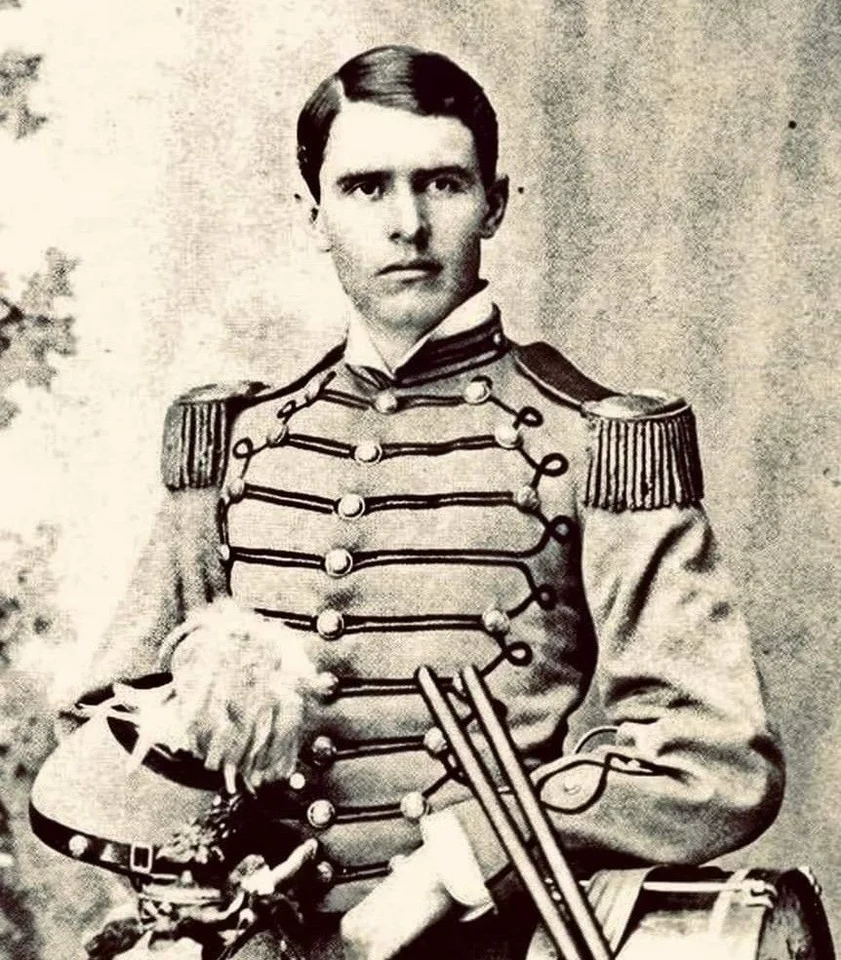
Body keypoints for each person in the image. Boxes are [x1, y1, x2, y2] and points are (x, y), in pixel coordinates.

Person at [78, 45, 784, 959]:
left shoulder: (594, 444)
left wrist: (457, 863)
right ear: (312, 213)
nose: (407, 224)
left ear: (494, 202)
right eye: (365, 188)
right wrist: (194, 885)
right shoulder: (238, 445)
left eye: (442, 184)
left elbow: (712, 758)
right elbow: (107, 723)